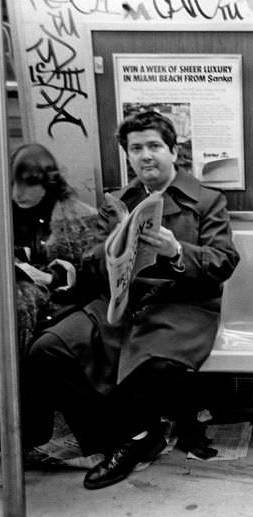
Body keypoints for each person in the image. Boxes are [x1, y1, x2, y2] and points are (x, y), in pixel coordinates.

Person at [22, 111, 240, 489]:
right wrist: (106, 251)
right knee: (48, 349)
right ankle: (126, 436)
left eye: (154, 146)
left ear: (174, 151)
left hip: (182, 308)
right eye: (136, 149)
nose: (145, 156)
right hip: (122, 302)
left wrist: (176, 251)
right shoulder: (120, 201)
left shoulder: (207, 201)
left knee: (149, 367)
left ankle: (132, 440)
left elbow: (223, 261)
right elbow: (93, 264)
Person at [11, 143, 101, 352]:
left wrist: (51, 278)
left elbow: (94, 281)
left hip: (64, 307)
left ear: (48, 182)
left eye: (29, 183)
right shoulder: (8, 215)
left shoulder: (80, 218)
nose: (18, 192)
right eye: (14, 183)